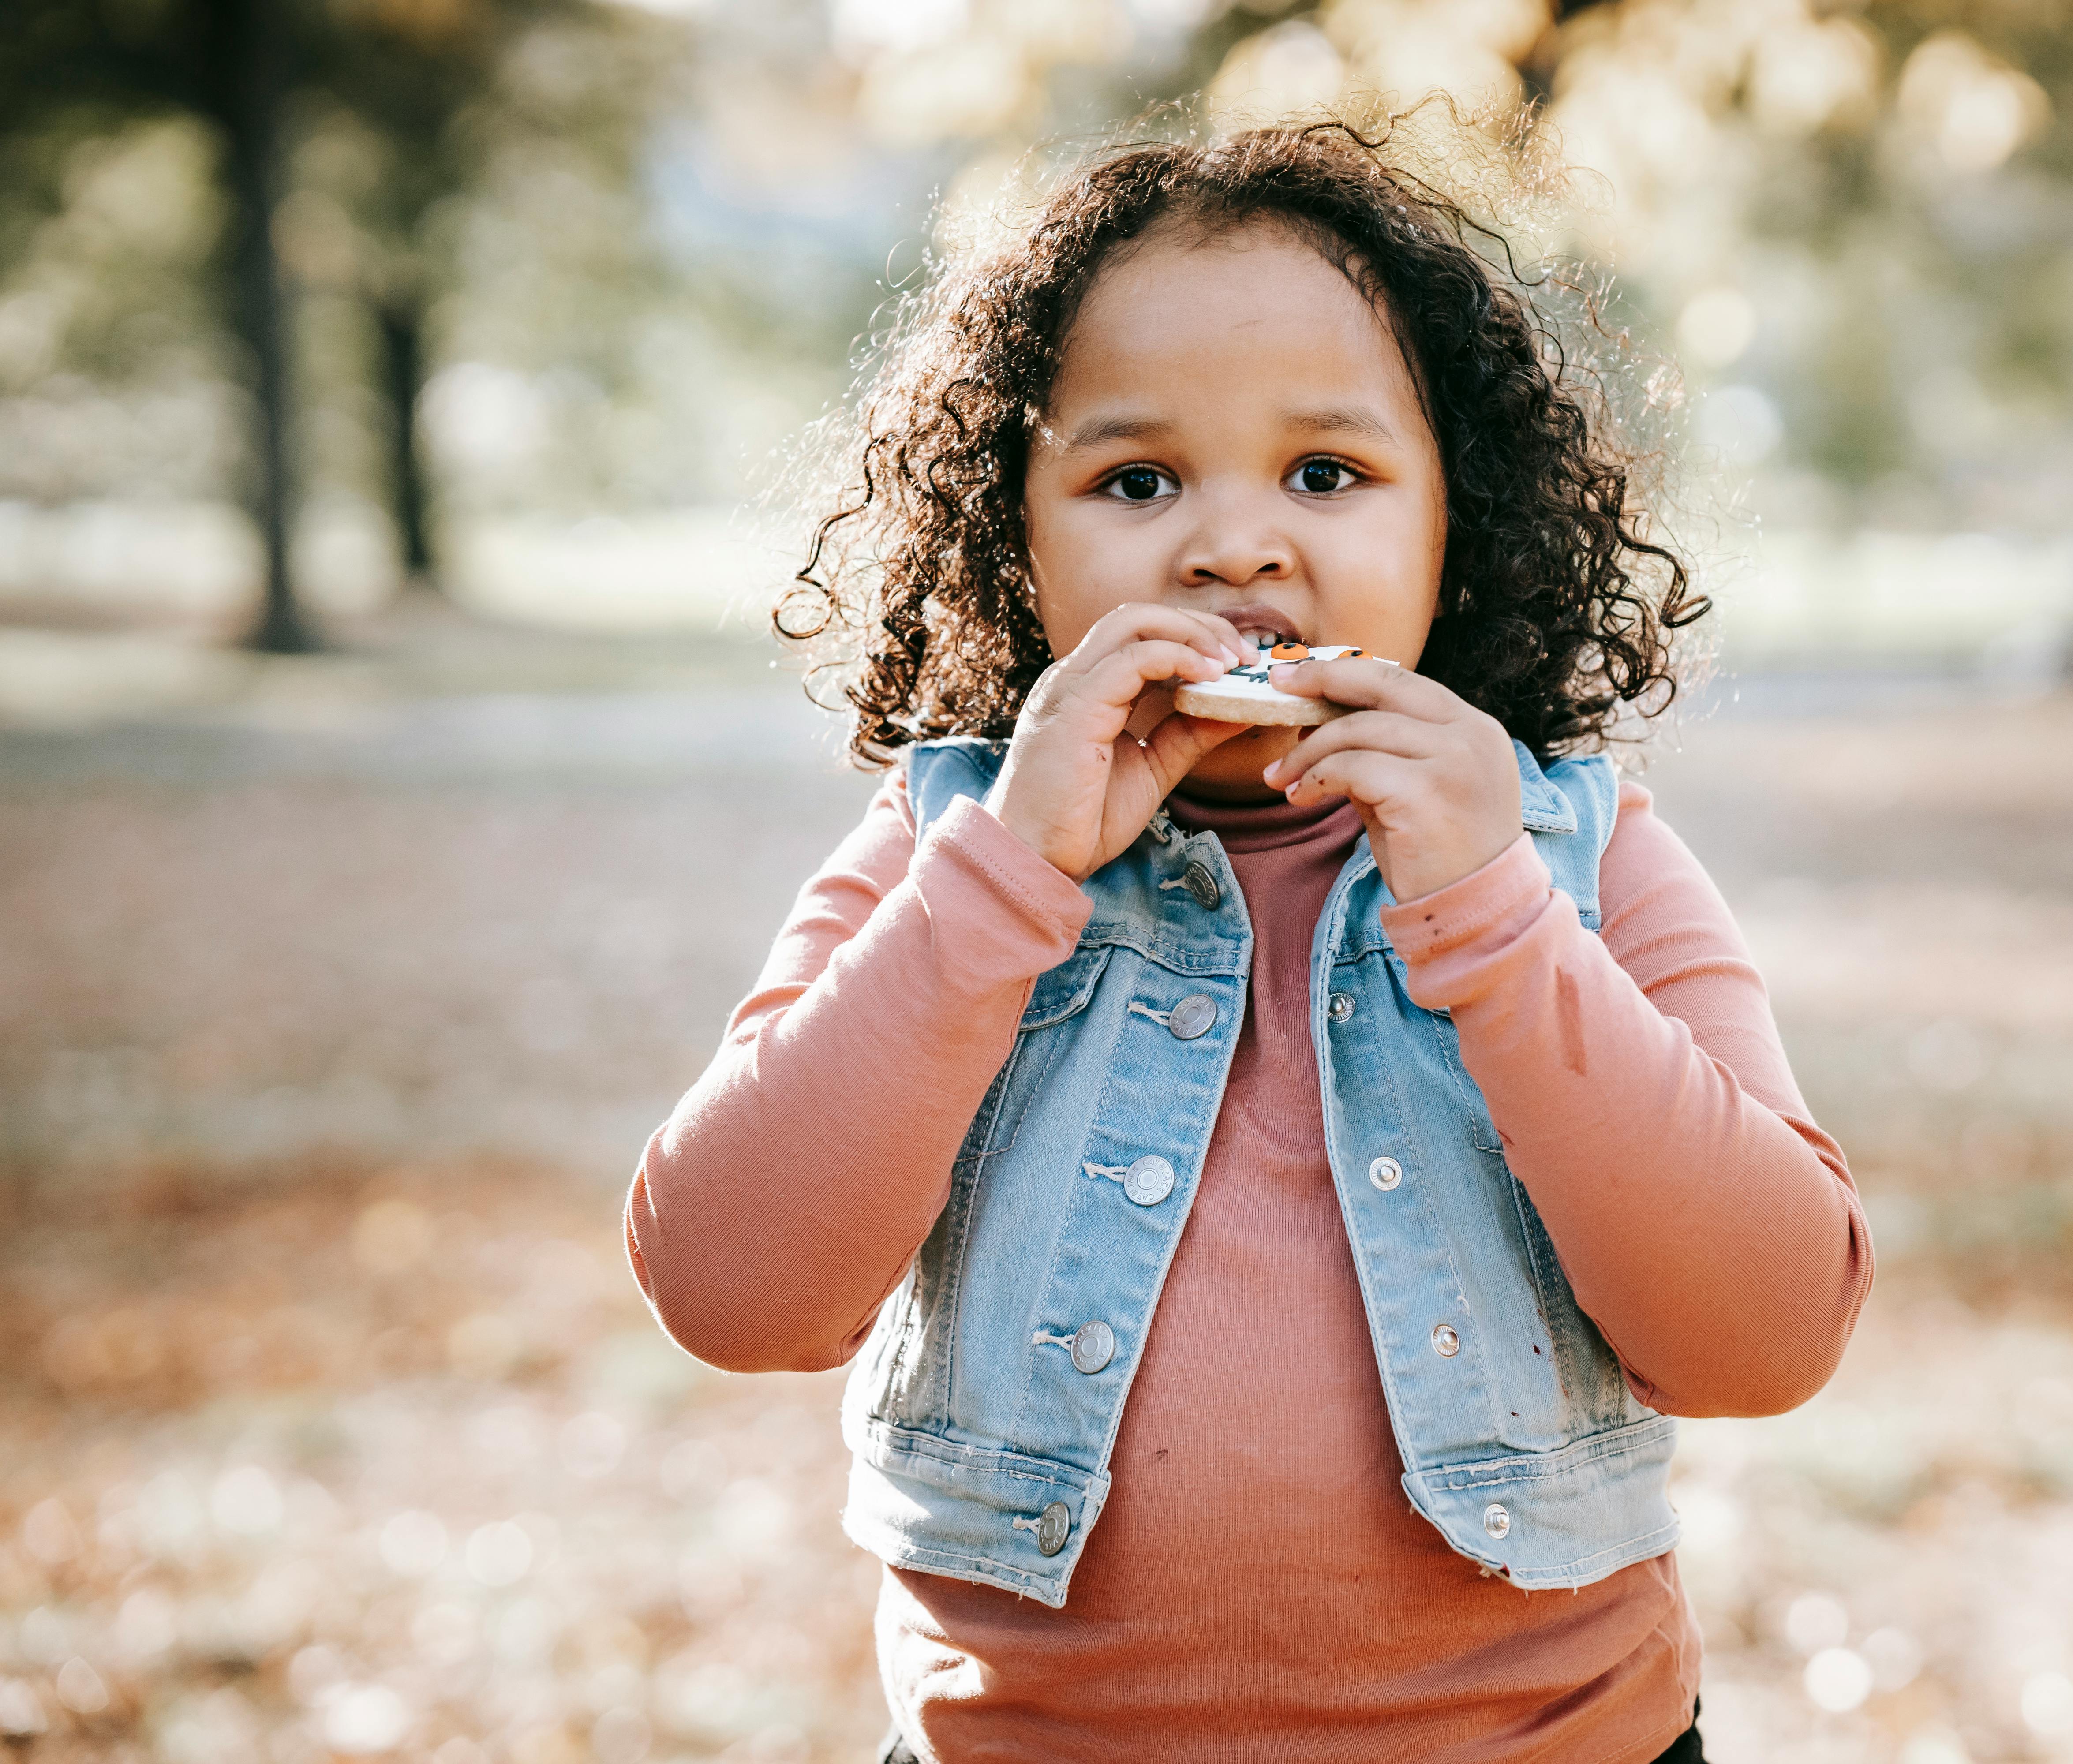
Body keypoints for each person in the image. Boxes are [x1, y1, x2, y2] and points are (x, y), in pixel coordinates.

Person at [624, 120, 1873, 1764]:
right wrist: (1002, 877)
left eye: (1326, 474)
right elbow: (729, 1289)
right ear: (1019, 538)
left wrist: (1493, 918)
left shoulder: (1578, 856)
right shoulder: (950, 859)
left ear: (1454, 527)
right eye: (1137, 481)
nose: (1230, 546)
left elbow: (1766, 1339)